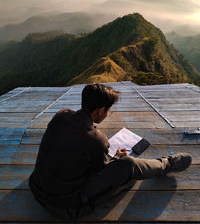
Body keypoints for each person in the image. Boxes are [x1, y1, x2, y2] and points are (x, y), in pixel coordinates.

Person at [29, 83, 192, 220]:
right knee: (128, 165)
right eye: (108, 110)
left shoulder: (61, 115)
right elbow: (101, 173)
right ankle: (167, 164)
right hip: (67, 207)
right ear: (100, 110)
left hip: (37, 189)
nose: (108, 114)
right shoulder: (96, 139)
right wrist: (117, 159)